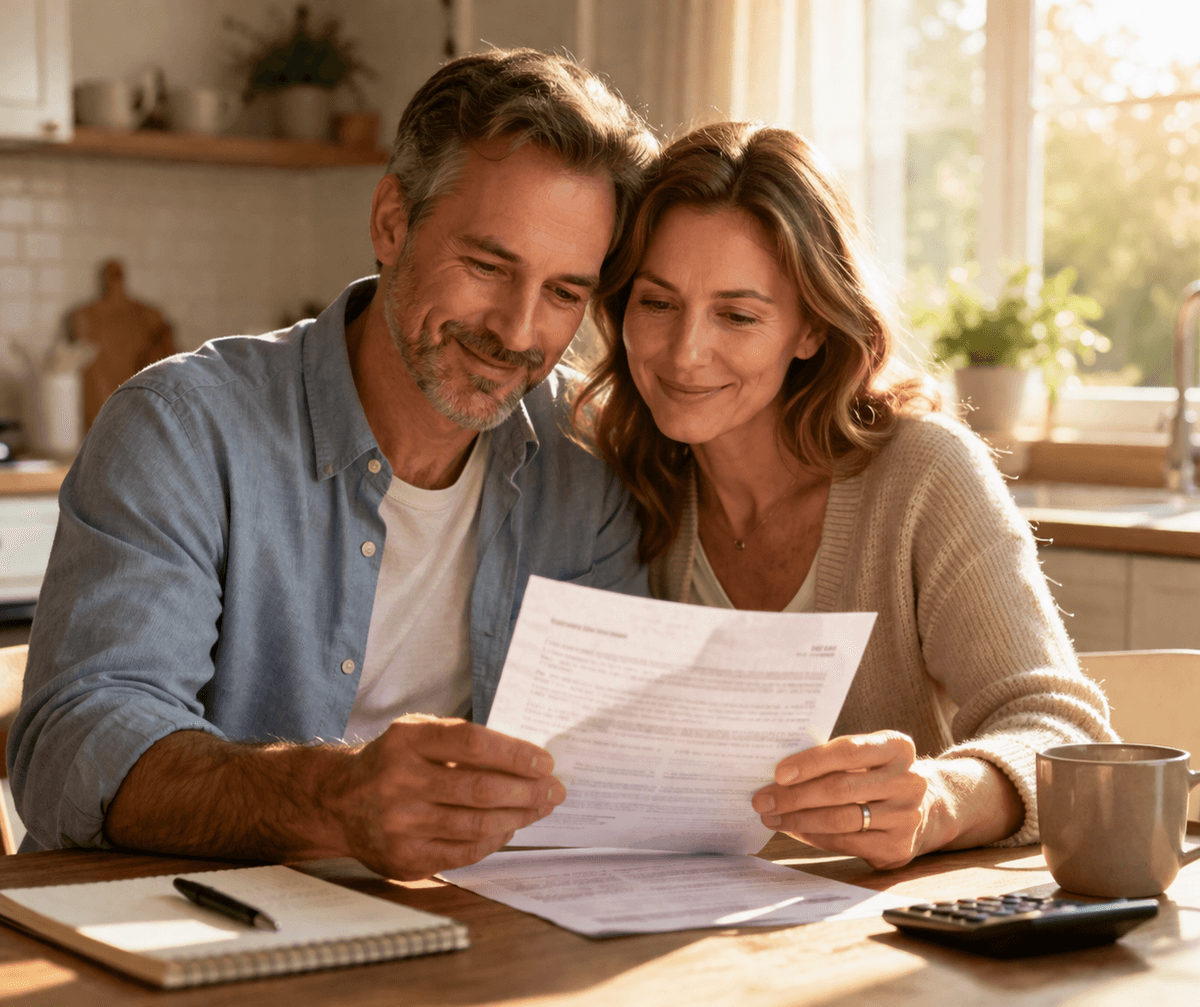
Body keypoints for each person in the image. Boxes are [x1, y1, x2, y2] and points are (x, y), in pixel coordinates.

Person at [10, 49, 658, 880]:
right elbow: (73, 750)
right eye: (488, 266)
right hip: (182, 918)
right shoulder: (181, 428)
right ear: (391, 221)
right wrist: (331, 798)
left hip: (462, 922)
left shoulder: (587, 458)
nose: (518, 331)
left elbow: (610, 760)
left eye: (564, 292)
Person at [575, 121, 1117, 870]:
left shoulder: (923, 475)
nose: (685, 353)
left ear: (810, 328)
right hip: (664, 912)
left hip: (879, 924)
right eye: (657, 303)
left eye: (738, 315)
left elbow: (1065, 734)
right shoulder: (614, 476)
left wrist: (937, 800)